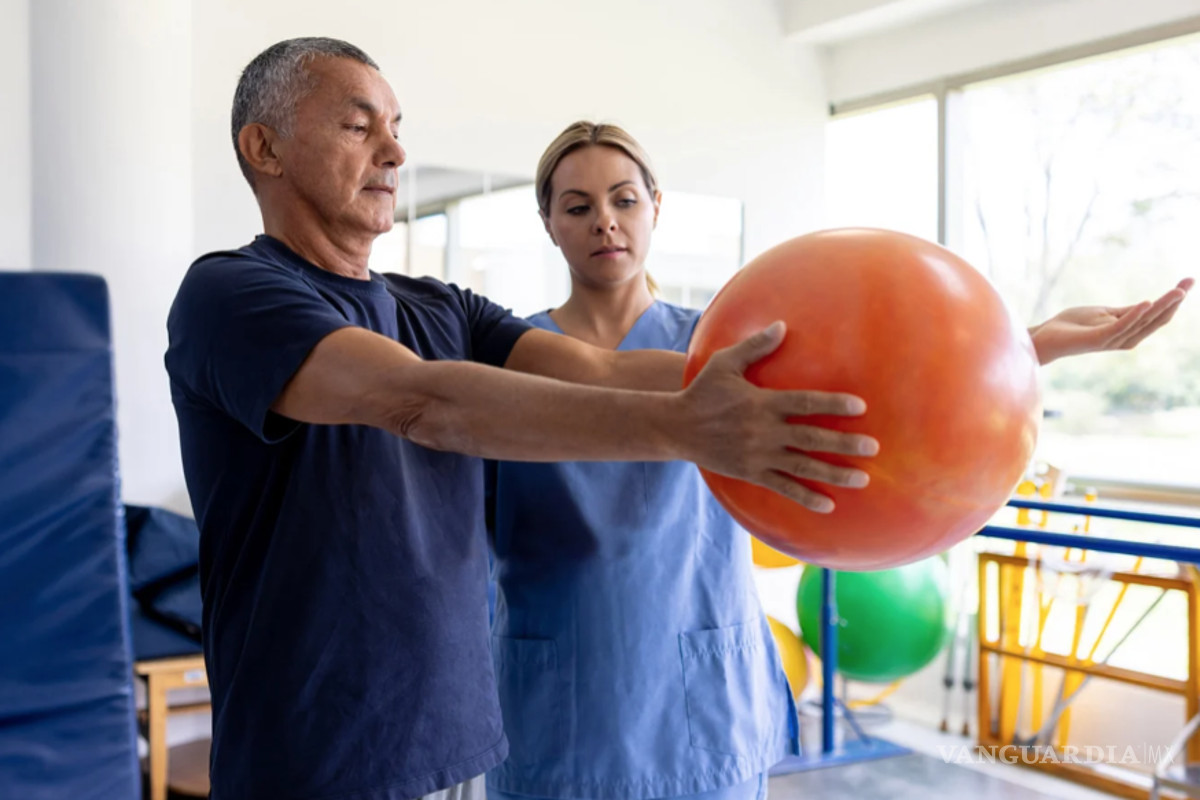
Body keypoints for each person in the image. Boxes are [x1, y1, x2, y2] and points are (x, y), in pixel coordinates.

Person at [164, 39, 882, 800]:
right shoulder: (230, 295)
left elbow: (603, 368)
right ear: (263, 147)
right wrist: (685, 427)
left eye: (397, 126)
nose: (395, 150)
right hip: (312, 757)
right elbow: (422, 403)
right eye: (358, 126)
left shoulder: (438, 306)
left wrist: (950, 368)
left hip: (446, 750)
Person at [485, 120, 1193, 800]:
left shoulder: (731, 340)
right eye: (577, 206)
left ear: (656, 207)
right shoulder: (511, 358)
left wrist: (1033, 343)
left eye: (624, 199)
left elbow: (878, 386)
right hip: (558, 703)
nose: (605, 221)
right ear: (549, 222)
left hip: (698, 699)